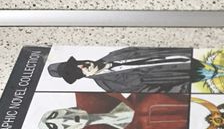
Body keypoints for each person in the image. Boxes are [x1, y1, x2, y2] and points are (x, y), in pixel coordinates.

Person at [39, 92, 190, 129]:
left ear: (67, 108)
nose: (67, 119)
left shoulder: (140, 95)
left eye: (59, 114)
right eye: (61, 125)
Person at [47, 47, 192, 93]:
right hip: (188, 76)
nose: (82, 65)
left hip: (188, 53)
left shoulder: (114, 54)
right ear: (81, 76)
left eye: (77, 63)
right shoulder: (112, 85)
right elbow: (158, 92)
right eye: (77, 71)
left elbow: (152, 48)